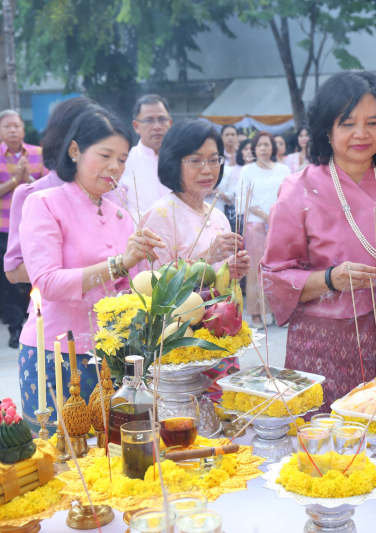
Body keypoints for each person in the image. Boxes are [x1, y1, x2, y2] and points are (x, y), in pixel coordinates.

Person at [261, 71, 376, 411]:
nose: (361, 134)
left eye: (373, 123)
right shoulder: (298, 188)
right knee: (324, 435)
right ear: (327, 129)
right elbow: (275, 275)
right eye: (347, 124)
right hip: (320, 343)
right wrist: (330, 279)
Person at [18, 106, 165, 432]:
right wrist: (119, 264)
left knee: (110, 452)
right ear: (75, 151)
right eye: (105, 155)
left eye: (122, 159)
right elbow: (46, 283)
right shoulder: (44, 203)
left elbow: (132, 287)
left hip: (111, 356)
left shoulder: (121, 214)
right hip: (55, 354)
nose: (115, 167)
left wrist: (157, 269)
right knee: (62, 455)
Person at [142, 120, 251, 398]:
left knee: (224, 415)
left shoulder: (217, 215)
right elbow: (154, 289)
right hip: (183, 349)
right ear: (173, 162)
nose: (207, 169)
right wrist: (207, 256)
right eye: (195, 160)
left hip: (219, 340)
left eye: (214, 160)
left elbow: (217, 284)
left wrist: (233, 272)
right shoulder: (162, 214)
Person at [5, 97, 99, 285]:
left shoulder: (114, 193)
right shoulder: (32, 194)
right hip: (58, 301)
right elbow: (15, 271)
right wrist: (101, 269)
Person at [0, 109, 47, 348]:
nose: (12, 130)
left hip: (36, 226)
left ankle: (36, 322)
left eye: (16, 126)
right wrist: (14, 180)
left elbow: (50, 188)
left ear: (23, 129)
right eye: (7, 126)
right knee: (8, 280)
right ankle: (14, 328)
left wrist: (27, 179)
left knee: (36, 275)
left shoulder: (39, 153)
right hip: (3, 228)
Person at [239, 132, 290, 327]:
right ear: (254, 148)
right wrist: (267, 217)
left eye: (267, 144)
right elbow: (246, 199)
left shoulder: (284, 169)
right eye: (259, 144)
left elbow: (288, 196)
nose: (263, 148)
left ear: (273, 147)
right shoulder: (247, 170)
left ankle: (279, 311)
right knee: (256, 269)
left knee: (279, 268)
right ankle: (256, 314)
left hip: (280, 224)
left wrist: (277, 218)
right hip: (256, 225)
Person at [119, 94, 173, 213]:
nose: (157, 127)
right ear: (136, 126)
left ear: (170, 123)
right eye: (149, 120)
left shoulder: (182, 160)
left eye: (162, 119)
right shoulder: (123, 161)